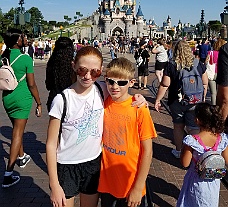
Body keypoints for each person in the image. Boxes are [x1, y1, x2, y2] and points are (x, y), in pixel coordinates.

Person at [46, 46, 146, 207]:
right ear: (73, 66)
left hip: (93, 163)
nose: (87, 76)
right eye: (82, 70)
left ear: (100, 72)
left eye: (94, 72)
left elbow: (122, 90)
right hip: (67, 165)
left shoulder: (102, 89)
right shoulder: (62, 100)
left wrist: (139, 98)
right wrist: (54, 184)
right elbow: (51, 144)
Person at [98, 57, 157, 207]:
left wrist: (138, 187)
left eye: (122, 82)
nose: (115, 86)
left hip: (130, 182)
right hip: (107, 182)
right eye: (110, 81)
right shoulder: (103, 102)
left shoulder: (139, 108)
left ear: (131, 82)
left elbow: (148, 151)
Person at [1, 29, 42, 188]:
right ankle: (8, 174)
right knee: (17, 133)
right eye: (22, 37)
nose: (25, 39)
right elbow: (31, 84)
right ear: (17, 41)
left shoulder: (3, 57)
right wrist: (38, 102)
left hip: (7, 98)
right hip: (22, 98)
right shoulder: (25, 58)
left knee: (16, 129)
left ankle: (22, 156)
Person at [154, 40, 208, 158]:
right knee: (194, 127)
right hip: (195, 101)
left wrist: (158, 99)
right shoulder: (197, 63)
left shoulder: (172, 64)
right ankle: (195, 152)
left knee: (178, 126)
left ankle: (179, 151)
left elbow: (165, 84)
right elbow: (205, 82)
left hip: (176, 101)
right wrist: (202, 96)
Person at [176, 103, 228, 207]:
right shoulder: (222, 138)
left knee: (193, 202)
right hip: (214, 180)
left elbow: (185, 163)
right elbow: (227, 160)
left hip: (196, 181)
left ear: (197, 120)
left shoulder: (192, 140)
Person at [45, 37, 75, 112]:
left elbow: (48, 85)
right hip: (71, 99)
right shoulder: (74, 64)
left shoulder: (52, 62)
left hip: (54, 97)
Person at [205, 38, 226, 105]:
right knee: (221, 92)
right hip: (221, 73)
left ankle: (214, 107)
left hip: (211, 73)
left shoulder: (210, 52)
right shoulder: (223, 54)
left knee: (213, 93)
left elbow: (206, 62)